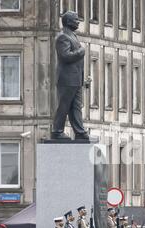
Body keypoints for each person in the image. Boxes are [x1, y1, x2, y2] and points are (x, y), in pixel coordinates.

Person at [51, 11, 90, 141]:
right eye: (76, 19)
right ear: (68, 22)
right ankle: (57, 131)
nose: (78, 21)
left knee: (76, 107)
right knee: (64, 105)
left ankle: (79, 131)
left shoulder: (72, 35)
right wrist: (80, 52)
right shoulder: (62, 37)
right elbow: (65, 56)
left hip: (76, 80)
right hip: (66, 80)